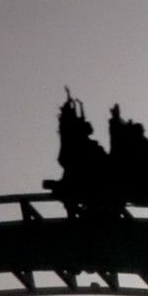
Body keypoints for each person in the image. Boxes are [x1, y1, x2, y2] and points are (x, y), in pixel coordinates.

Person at [45, 87, 111, 217]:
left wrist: (80, 105)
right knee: (95, 151)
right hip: (77, 150)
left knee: (98, 151)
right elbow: (77, 123)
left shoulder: (75, 127)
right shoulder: (68, 128)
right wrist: (72, 102)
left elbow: (83, 119)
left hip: (82, 144)